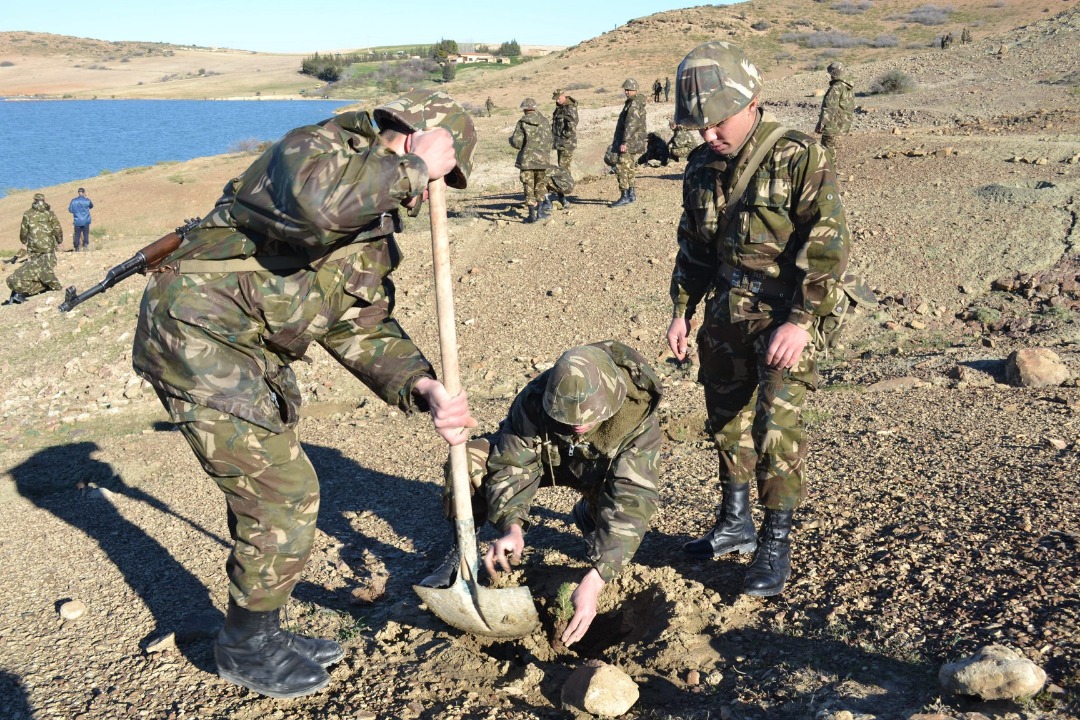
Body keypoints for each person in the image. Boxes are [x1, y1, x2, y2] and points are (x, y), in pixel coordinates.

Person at [131, 90, 479, 699]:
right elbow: (319, 210)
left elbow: (358, 325)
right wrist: (415, 166)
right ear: (409, 137)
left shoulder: (373, 226)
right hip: (195, 335)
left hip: (248, 350)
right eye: (438, 178)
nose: (431, 193)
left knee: (272, 489)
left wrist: (421, 385)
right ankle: (245, 646)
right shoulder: (311, 153)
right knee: (283, 491)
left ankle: (264, 632)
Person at [666, 42, 850, 598]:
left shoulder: (799, 155)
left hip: (785, 315)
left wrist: (800, 321)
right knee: (725, 419)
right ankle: (734, 522)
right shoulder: (700, 166)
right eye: (698, 125)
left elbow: (828, 244)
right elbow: (695, 246)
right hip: (725, 312)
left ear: (751, 103)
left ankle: (775, 540)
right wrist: (681, 311)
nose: (707, 135)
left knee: (776, 428)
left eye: (717, 122)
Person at [421, 341, 662, 648]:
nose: (578, 425)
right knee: (469, 461)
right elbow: (513, 464)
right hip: (548, 461)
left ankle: (590, 513)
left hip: (600, 474)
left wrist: (598, 577)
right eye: (568, 418)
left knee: (615, 517)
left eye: (587, 419)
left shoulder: (637, 418)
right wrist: (512, 526)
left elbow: (632, 498)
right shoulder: (536, 398)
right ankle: (462, 555)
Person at [4, 193, 63, 305]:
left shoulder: (28, 214)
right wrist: (59, 240)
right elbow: (57, 228)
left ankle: (21, 290)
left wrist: (24, 241)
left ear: (34, 200)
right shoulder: (49, 214)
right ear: (44, 200)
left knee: (34, 268)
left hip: (34, 247)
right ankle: (45, 286)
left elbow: (23, 230)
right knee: (46, 268)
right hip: (48, 246)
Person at [509, 97, 553, 224]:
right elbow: (550, 140)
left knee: (528, 187)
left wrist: (511, 140)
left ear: (524, 109)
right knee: (540, 186)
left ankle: (531, 216)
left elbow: (517, 143)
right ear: (535, 107)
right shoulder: (544, 121)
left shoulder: (522, 122)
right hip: (542, 160)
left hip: (527, 161)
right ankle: (540, 213)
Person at [610, 78, 647, 207]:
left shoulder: (634, 104)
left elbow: (631, 124)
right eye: (626, 90)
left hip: (629, 141)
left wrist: (624, 142)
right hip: (633, 141)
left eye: (629, 90)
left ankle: (624, 196)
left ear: (635, 90)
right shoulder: (634, 102)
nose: (627, 92)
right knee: (629, 167)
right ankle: (631, 194)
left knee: (621, 167)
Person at [815, 61, 854, 166]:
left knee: (827, 148)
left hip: (832, 124)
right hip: (843, 122)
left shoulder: (836, 87)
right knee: (831, 147)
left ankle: (830, 170)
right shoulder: (847, 86)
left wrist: (821, 123)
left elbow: (829, 108)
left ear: (833, 73)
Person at [551, 89, 579, 178]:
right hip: (560, 142)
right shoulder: (560, 108)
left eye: (558, 98)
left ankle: (566, 184)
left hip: (566, 143)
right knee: (562, 166)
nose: (557, 100)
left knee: (564, 168)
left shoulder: (569, 108)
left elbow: (572, 125)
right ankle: (565, 184)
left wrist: (564, 136)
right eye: (556, 99)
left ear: (563, 96)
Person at [67, 187, 94, 252]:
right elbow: (91, 206)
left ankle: (76, 247)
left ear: (78, 193)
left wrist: (76, 211)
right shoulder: (87, 200)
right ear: (84, 192)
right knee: (86, 234)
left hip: (77, 220)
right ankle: (85, 246)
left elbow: (70, 210)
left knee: (77, 234)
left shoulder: (73, 201)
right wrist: (87, 198)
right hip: (86, 220)